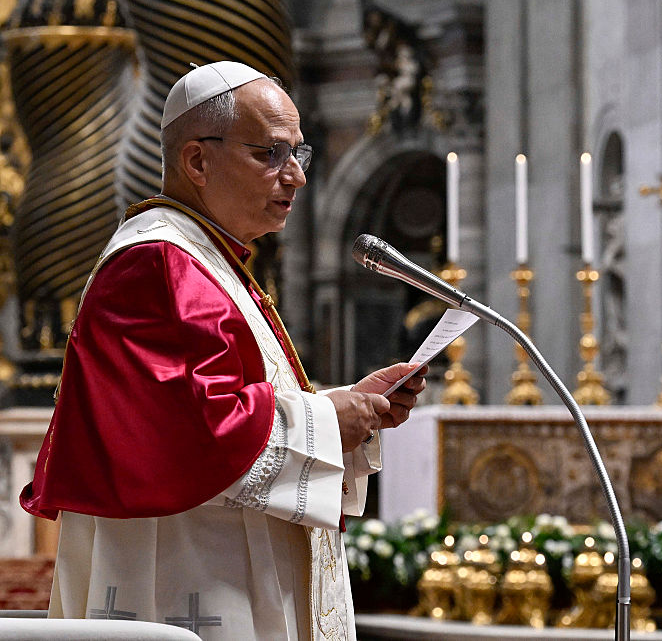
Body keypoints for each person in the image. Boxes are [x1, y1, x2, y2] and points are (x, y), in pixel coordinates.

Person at [19, 61, 425, 640]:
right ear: (197, 161)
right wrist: (327, 421)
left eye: (299, 154)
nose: (297, 177)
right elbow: (196, 430)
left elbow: (235, 405)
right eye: (272, 154)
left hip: (225, 559)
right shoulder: (158, 262)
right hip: (190, 575)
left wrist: (349, 408)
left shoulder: (207, 259)